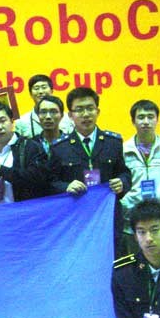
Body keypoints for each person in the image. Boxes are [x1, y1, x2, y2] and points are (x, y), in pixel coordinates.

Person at [49, 86, 131, 257]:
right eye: (79, 110)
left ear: (97, 111)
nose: (85, 114)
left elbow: (124, 173)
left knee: (115, 261)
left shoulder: (113, 142)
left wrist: (122, 183)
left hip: (109, 217)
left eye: (90, 108)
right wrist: (66, 186)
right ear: (70, 115)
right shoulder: (60, 147)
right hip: (76, 219)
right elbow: (51, 183)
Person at [121, 100, 160, 255]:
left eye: (150, 117)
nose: (146, 121)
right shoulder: (123, 150)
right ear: (133, 121)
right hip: (132, 222)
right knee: (135, 266)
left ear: (157, 120)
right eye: (141, 117)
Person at [0, 103, 49, 203]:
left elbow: (39, 180)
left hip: (22, 210)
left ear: (12, 121)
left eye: (2, 121)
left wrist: (2, 171)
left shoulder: (30, 147)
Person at [15, 74, 74, 138]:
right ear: (30, 93)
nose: (40, 91)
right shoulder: (22, 122)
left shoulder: (67, 119)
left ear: (52, 90)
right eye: (36, 88)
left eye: (44, 87)